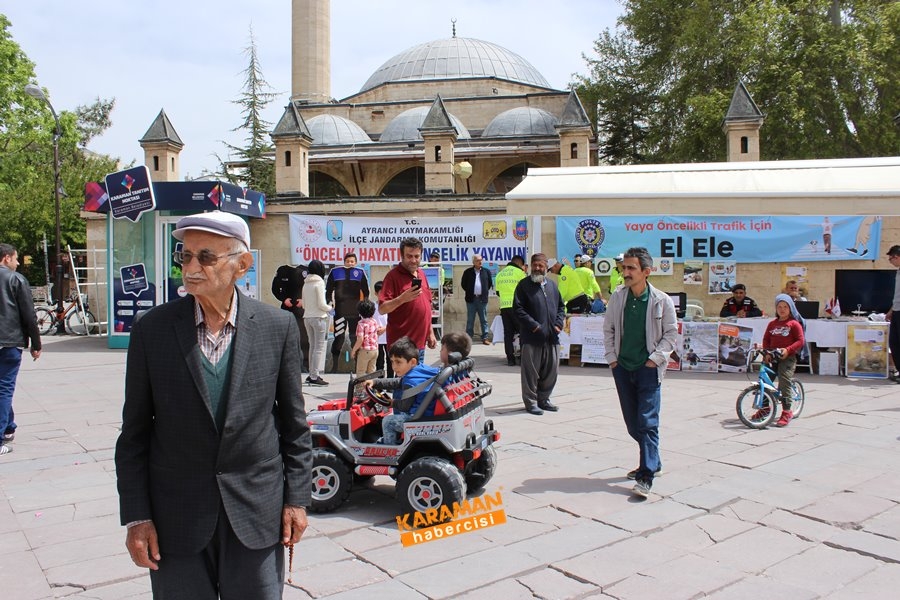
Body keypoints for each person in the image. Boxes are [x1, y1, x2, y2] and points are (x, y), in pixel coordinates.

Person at [114, 211, 311, 599]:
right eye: (184, 256)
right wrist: (137, 517)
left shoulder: (278, 327)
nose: (191, 268)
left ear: (242, 264)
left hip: (257, 513)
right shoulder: (151, 331)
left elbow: (294, 426)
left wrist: (296, 501)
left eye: (206, 257)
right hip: (176, 518)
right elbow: (133, 435)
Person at [603, 246, 678, 499]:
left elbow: (671, 335)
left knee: (647, 422)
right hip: (623, 368)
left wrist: (654, 359)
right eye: (624, 268)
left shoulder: (662, 300)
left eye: (631, 268)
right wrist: (613, 360)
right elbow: (609, 329)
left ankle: (645, 476)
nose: (626, 272)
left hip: (648, 369)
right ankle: (653, 461)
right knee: (633, 424)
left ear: (646, 271)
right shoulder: (618, 297)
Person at [0, 243, 42, 456]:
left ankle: (9, 427)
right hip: (8, 342)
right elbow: (29, 315)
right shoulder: (16, 279)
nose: (17, 263)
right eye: (16, 258)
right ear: (6, 258)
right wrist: (36, 344)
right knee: (4, 388)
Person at [513, 253, 565, 415]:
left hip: (552, 337)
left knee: (551, 371)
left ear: (546, 267)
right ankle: (531, 402)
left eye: (540, 266)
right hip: (532, 337)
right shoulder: (523, 285)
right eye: (534, 265)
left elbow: (561, 308)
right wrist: (534, 326)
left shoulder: (552, 286)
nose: (537, 268)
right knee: (531, 373)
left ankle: (544, 399)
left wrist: (558, 324)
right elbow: (518, 309)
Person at [379, 237, 437, 363]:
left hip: (420, 344)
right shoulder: (392, 276)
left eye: (417, 256)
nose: (413, 260)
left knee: (418, 381)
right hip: (402, 347)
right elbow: (382, 308)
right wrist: (401, 299)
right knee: (407, 382)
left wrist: (430, 333)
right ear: (401, 255)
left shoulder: (421, 274)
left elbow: (427, 305)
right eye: (409, 256)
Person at [374, 337, 440, 444]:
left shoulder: (410, 381)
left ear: (412, 362)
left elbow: (405, 406)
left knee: (388, 421)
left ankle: (390, 448)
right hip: (427, 413)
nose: (394, 367)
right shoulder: (420, 369)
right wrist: (375, 382)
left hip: (418, 418)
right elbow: (398, 382)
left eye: (398, 362)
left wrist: (392, 403)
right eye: (392, 362)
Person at [761, 294, 806, 427]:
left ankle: (787, 411)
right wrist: (766, 352)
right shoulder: (772, 324)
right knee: (765, 380)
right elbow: (766, 339)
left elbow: (800, 341)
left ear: (790, 308)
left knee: (784, 379)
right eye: (779, 307)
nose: (782, 309)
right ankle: (764, 409)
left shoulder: (794, 324)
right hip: (773, 356)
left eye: (785, 307)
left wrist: (788, 350)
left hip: (787, 357)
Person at [325, 252, 369, 373]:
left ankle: (356, 367)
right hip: (340, 312)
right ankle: (334, 367)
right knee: (338, 337)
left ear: (356, 262)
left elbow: (366, 292)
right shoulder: (335, 272)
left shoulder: (360, 272)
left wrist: (364, 307)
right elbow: (328, 290)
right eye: (348, 261)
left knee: (355, 338)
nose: (350, 263)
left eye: (352, 261)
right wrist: (329, 302)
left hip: (355, 313)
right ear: (344, 261)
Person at [271, 263, 310, 370]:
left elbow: (312, 290)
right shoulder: (283, 270)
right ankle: (285, 365)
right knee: (286, 337)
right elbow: (275, 289)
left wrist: (304, 301)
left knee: (304, 337)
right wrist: (284, 299)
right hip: (286, 309)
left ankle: (305, 364)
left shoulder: (307, 271)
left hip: (302, 309)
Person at [302, 259, 331, 386]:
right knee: (318, 348)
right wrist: (330, 307)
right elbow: (321, 304)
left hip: (307, 317)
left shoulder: (306, 283)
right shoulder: (319, 283)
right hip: (319, 317)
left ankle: (311, 374)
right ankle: (314, 375)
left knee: (312, 346)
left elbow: (304, 303)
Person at [494, 256, 527, 366]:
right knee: (523, 332)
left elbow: (498, 292)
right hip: (517, 307)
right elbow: (525, 291)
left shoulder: (499, 274)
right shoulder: (520, 273)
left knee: (508, 334)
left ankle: (510, 359)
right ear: (519, 263)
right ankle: (523, 358)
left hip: (504, 307)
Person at [460, 254, 493, 344]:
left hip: (482, 299)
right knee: (470, 319)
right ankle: (468, 338)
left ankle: (485, 337)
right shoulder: (468, 272)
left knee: (484, 319)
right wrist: (471, 292)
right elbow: (463, 284)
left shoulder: (486, 272)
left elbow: (489, 284)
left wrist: (483, 292)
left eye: (481, 260)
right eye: (478, 260)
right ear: (473, 262)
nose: (480, 262)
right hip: (471, 299)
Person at [350, 299, 379, 375]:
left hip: (365, 350)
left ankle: (360, 387)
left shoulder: (361, 323)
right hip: (375, 350)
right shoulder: (374, 321)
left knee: (361, 372)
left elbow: (360, 339)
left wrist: (354, 350)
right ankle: (371, 386)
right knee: (371, 372)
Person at [885, 245, 900, 383]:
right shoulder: (898, 272)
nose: (891, 261)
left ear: (897, 257)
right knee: (894, 343)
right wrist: (891, 310)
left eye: (891, 259)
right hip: (896, 311)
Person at [372, 281, 392, 377]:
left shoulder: (390, 305)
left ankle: (390, 380)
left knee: (390, 360)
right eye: (381, 292)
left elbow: (393, 320)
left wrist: (385, 328)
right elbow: (369, 320)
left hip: (388, 336)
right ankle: (379, 381)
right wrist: (376, 329)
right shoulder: (373, 306)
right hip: (377, 338)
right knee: (379, 360)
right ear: (376, 293)